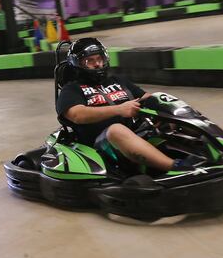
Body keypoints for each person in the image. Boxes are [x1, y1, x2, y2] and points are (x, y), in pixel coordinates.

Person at [56, 38, 205, 172]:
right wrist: (119, 109)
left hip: (137, 131)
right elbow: (77, 115)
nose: (97, 64)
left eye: (99, 59)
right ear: (77, 65)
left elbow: (146, 97)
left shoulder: (117, 81)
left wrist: (163, 108)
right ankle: (176, 167)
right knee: (116, 130)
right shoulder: (71, 89)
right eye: (90, 61)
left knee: (169, 108)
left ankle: (216, 144)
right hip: (104, 146)